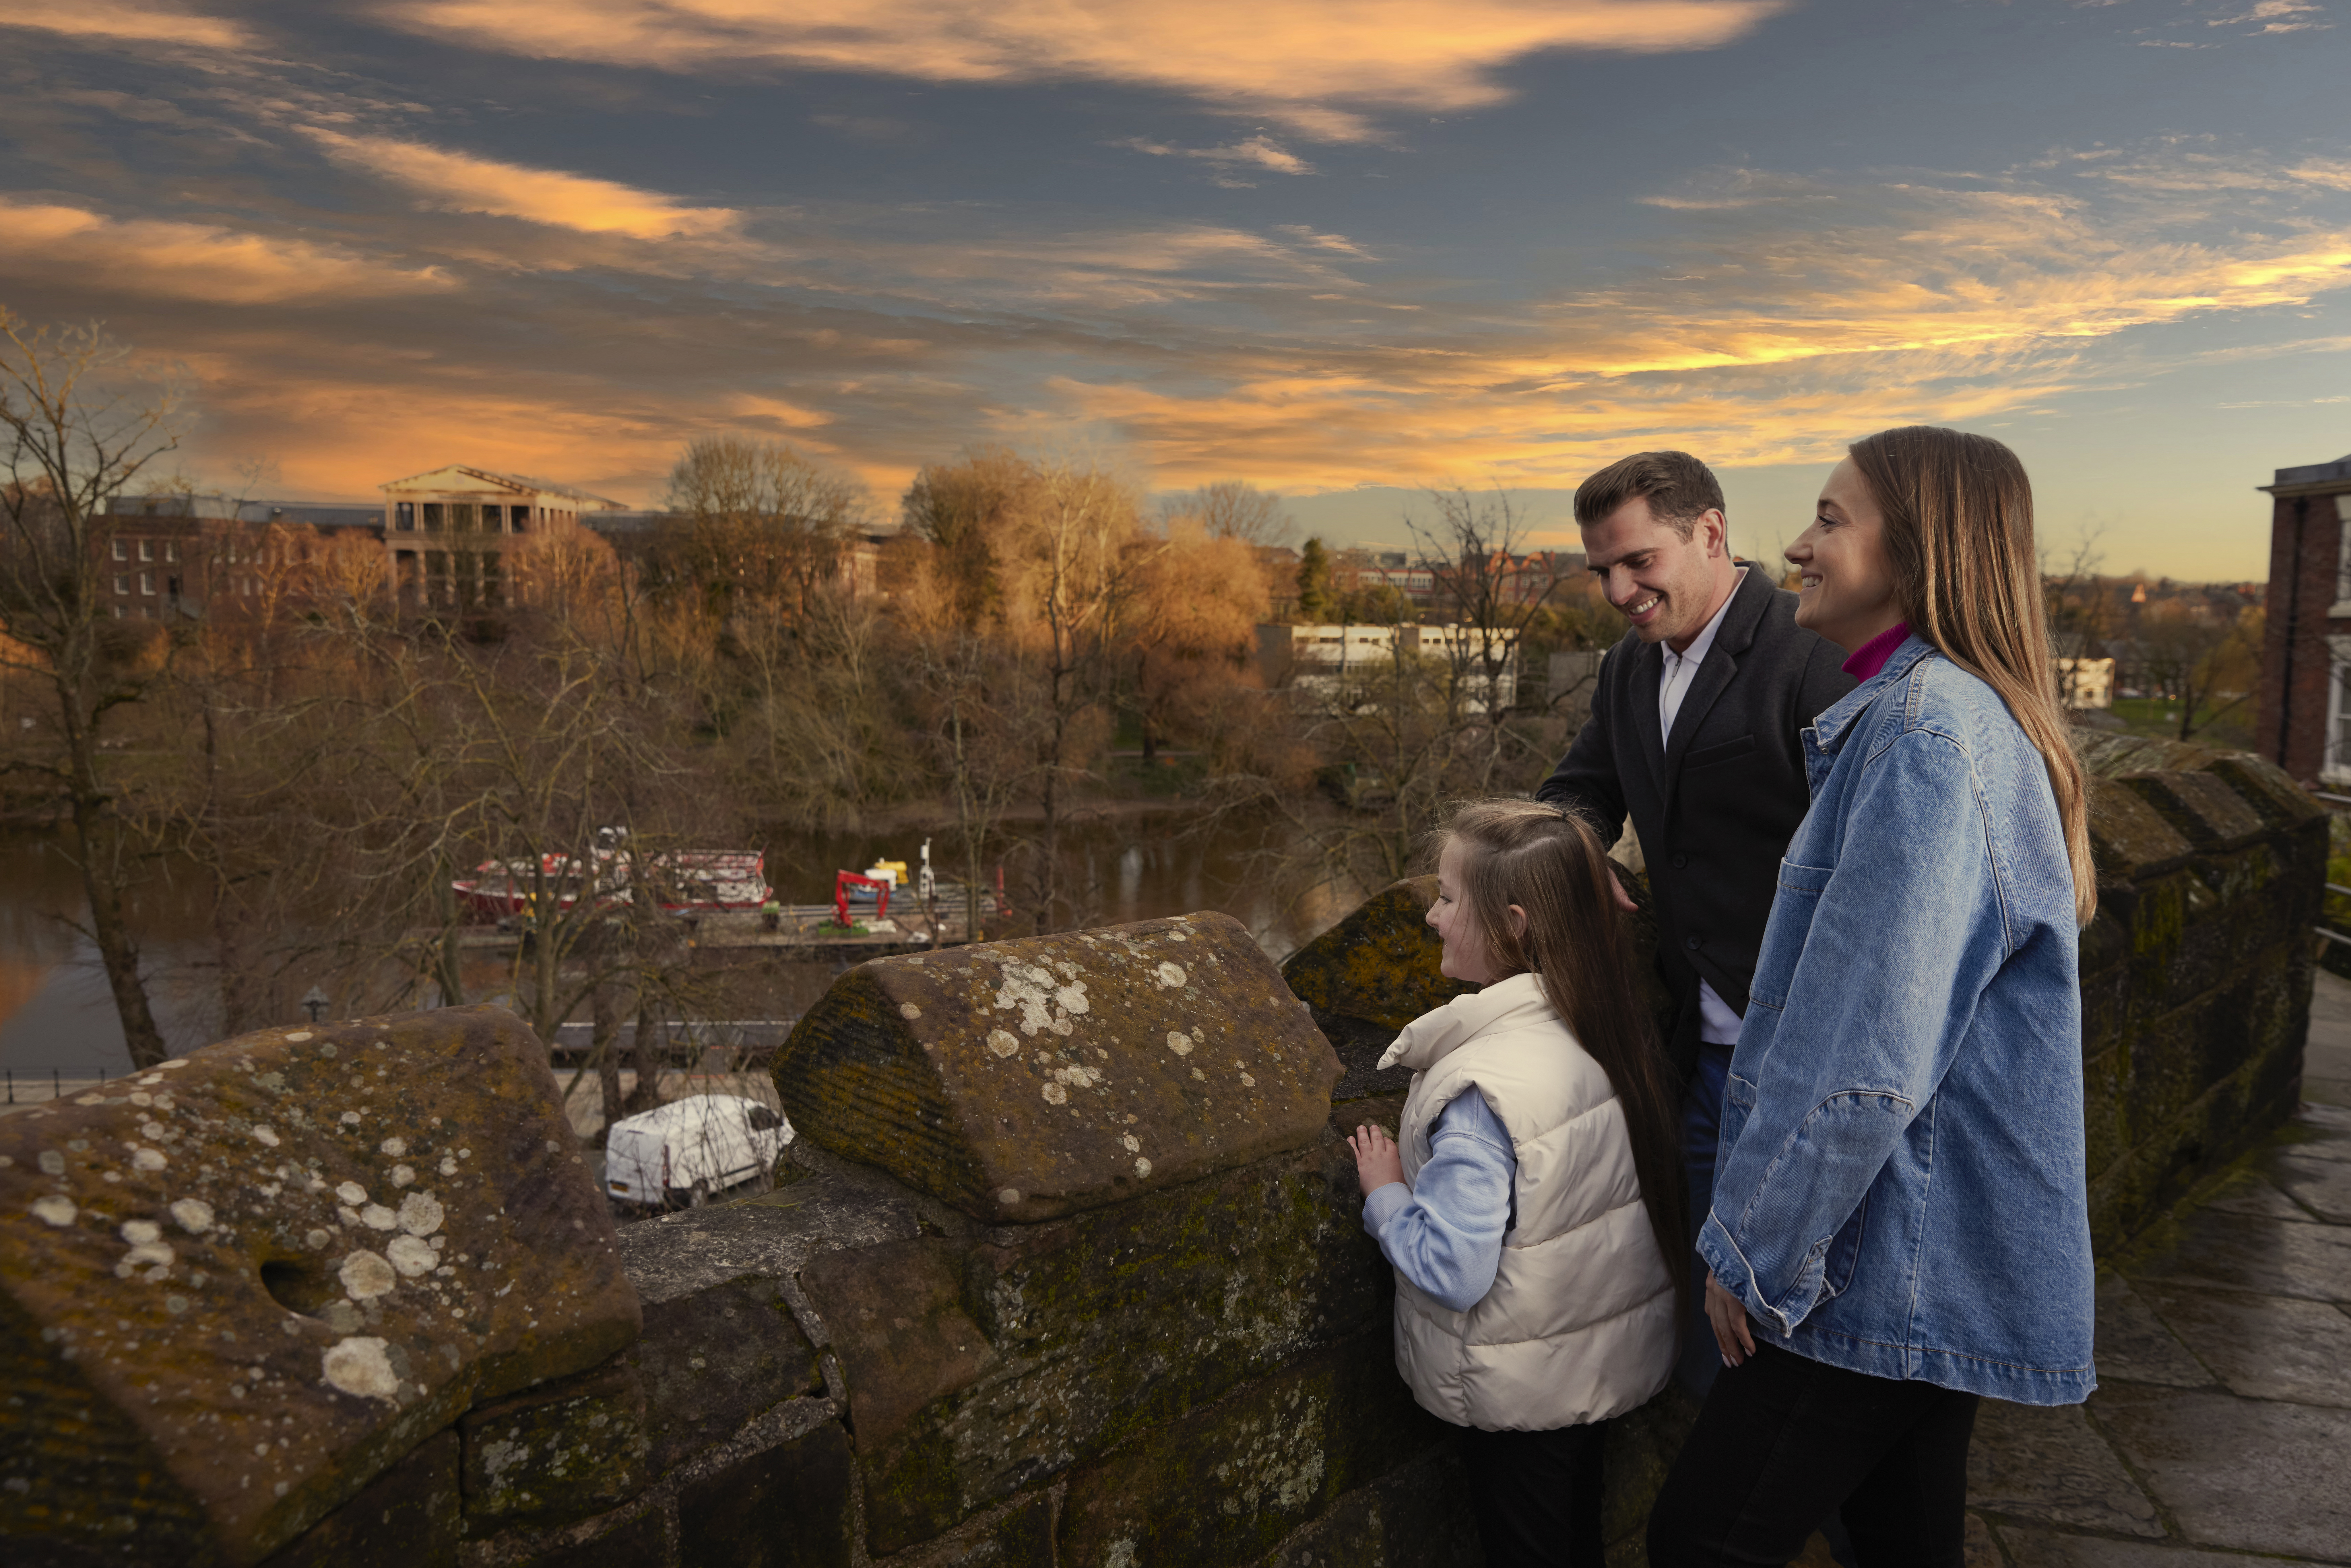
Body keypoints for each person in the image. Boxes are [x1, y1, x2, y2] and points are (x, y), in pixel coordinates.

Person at [1646, 427, 2099, 1567]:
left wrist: (1752, 1256)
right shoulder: (1943, 720)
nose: (1795, 545)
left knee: (1697, 1539)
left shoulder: (1924, 735)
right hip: (1916, 1256)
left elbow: (1861, 1056)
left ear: (1919, 547)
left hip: (1871, 1259)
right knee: (1902, 1541)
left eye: (1830, 519)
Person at [1533, 451, 1853, 1397]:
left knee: (1813, 1320)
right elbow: (1577, 792)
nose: (1618, 590)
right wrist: (1581, 850)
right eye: (1600, 571)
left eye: (1637, 561)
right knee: (1708, 1325)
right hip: (1696, 1055)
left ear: (1710, 534)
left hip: (1805, 1061)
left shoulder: (1813, 653)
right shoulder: (1629, 672)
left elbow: (1869, 863)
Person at [1346, 799, 1685, 1568]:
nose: (1431, 916)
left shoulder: (1481, 1090)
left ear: (1516, 922)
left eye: (1446, 897)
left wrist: (1385, 1194)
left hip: (1522, 1389)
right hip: (1592, 1367)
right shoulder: (1603, 1025)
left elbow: (1456, 1268)